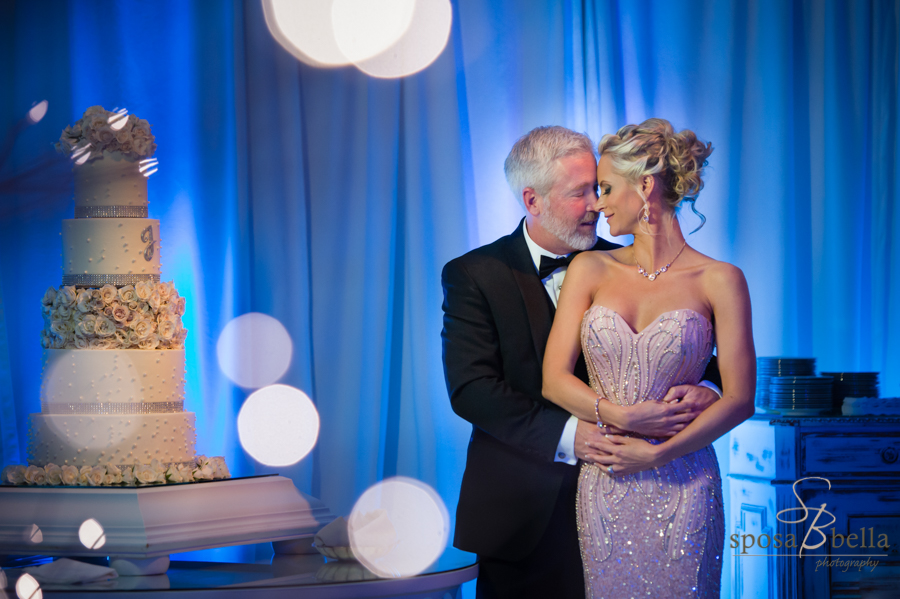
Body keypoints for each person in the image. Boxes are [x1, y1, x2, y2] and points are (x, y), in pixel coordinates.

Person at [441, 125, 723, 599]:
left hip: (639, 495)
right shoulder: (475, 274)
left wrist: (707, 392)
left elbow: (696, 353)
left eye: (599, 187)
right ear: (533, 201)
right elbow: (472, 389)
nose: (597, 203)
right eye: (580, 193)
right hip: (523, 512)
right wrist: (575, 436)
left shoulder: (633, 260)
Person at [542, 118, 756, 597]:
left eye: (605, 187)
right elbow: (553, 380)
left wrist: (657, 452)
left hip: (685, 482)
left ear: (644, 186)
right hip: (608, 477)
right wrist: (619, 416)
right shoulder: (588, 267)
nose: (597, 204)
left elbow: (741, 399)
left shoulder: (720, 279)